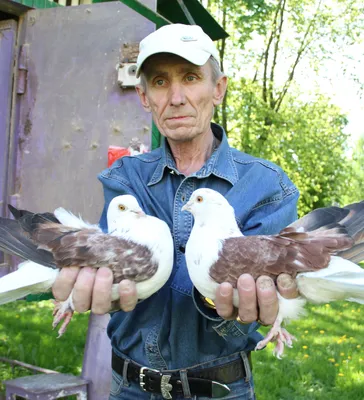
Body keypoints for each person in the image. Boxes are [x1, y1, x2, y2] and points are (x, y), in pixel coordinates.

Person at [53, 24, 299, 399]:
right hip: (129, 387)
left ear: (218, 89)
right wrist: (102, 289)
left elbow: (264, 301)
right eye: (160, 82)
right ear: (144, 96)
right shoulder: (125, 180)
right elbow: (111, 277)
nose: (177, 97)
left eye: (190, 77)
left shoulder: (268, 187)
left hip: (220, 388)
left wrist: (222, 299)